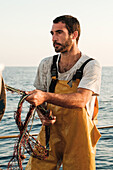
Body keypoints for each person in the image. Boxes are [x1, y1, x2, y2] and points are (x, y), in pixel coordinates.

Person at [26, 15, 101, 170]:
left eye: (59, 32)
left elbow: (81, 100)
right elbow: (40, 101)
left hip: (79, 138)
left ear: (74, 35)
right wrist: (42, 115)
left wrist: (45, 96)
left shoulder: (91, 65)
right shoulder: (46, 64)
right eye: (52, 34)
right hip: (50, 132)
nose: (54, 38)